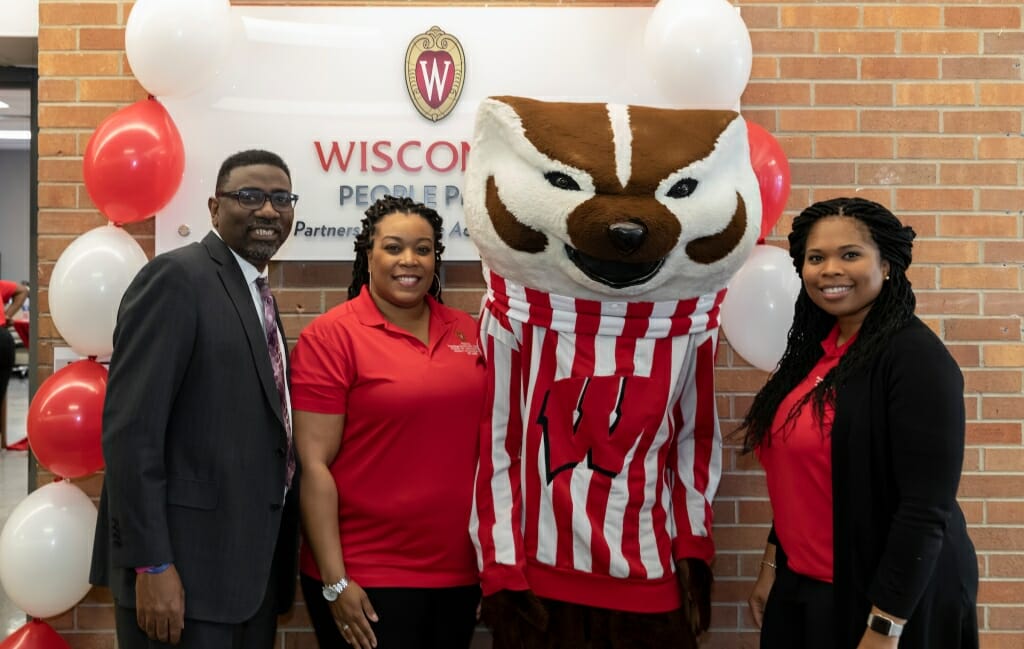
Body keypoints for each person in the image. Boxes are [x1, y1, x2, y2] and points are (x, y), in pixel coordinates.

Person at [739, 197, 978, 649]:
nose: (830, 269)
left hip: (886, 598)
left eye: (850, 254)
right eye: (816, 257)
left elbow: (925, 509)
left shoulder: (915, 359)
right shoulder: (813, 355)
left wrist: (886, 626)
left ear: (886, 264)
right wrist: (773, 566)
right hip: (806, 585)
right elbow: (803, 477)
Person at [90, 149, 302, 649]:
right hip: (182, 577)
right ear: (213, 208)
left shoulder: (255, 292)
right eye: (249, 196)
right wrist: (153, 563)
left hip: (246, 577)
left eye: (280, 199)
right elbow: (131, 432)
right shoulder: (177, 280)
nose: (268, 211)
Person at [289, 195, 484, 649]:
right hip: (367, 575)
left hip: (459, 574)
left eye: (424, 248)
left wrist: (492, 565)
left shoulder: (469, 332)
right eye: (394, 247)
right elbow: (313, 466)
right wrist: (336, 582)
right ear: (368, 254)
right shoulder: (331, 337)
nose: (409, 261)